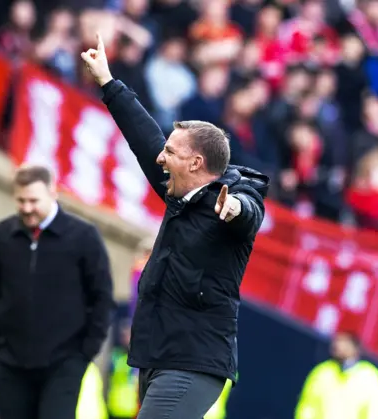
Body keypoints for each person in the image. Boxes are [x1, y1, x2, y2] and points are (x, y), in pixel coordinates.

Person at [81, 33, 269, 419]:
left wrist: (234, 208)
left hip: (194, 362)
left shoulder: (227, 204)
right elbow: (142, 135)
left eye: (170, 151)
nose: (161, 157)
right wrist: (107, 81)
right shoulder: (177, 189)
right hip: (158, 356)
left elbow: (249, 213)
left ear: (196, 163)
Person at [0, 164, 114, 419]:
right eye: (21, 200)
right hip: (10, 363)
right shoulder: (2, 235)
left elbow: (102, 297)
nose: (27, 208)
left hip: (64, 362)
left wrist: (85, 351)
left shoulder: (83, 236)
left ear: (53, 193)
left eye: (34, 200)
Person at [295, 331, 378, 419]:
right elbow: (307, 406)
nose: (337, 345)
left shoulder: (370, 378)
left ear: (355, 347)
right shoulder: (323, 371)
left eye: (344, 341)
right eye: (337, 340)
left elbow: (375, 414)